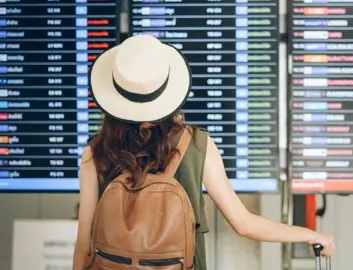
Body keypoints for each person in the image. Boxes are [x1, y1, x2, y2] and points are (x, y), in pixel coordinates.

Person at [72, 34, 335, 270]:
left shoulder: (94, 152)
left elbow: (84, 242)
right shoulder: (197, 144)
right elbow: (243, 223)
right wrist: (311, 235)